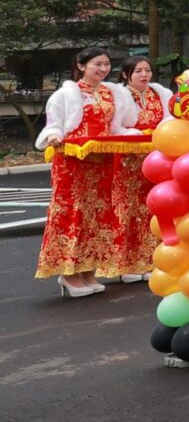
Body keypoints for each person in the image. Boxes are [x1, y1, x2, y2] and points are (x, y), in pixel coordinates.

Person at [34, 47, 138, 297]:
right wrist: (53, 137)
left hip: (103, 163)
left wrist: (137, 138)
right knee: (72, 214)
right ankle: (68, 273)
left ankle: (89, 270)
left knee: (99, 216)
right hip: (73, 164)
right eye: (97, 65)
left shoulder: (113, 94)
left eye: (106, 64)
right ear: (81, 66)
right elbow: (54, 125)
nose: (103, 69)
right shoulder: (66, 95)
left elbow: (118, 128)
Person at [106, 55, 171, 283]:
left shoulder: (160, 95)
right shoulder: (120, 97)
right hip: (129, 162)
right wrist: (133, 135)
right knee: (128, 212)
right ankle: (127, 265)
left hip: (157, 160)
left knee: (154, 210)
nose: (144, 75)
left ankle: (154, 260)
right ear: (126, 75)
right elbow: (114, 126)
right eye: (138, 71)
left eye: (147, 70)